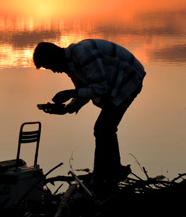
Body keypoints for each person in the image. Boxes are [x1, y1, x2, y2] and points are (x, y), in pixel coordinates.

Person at [33, 39, 145, 193]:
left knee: (103, 128)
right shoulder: (71, 66)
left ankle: (102, 176)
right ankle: (112, 171)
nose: (53, 71)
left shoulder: (82, 54)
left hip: (128, 77)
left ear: (54, 57)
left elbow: (99, 88)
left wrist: (70, 93)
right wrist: (67, 108)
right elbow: (85, 89)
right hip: (113, 83)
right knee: (105, 128)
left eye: (50, 66)